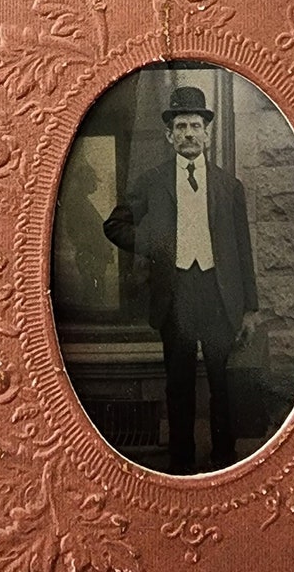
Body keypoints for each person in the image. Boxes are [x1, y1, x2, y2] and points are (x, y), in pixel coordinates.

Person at [103, 86, 258, 474]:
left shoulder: (228, 186)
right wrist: (151, 243)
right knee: (180, 381)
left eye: (195, 126)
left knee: (223, 381)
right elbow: (114, 225)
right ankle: (182, 460)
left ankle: (224, 456)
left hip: (219, 292)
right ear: (170, 135)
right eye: (181, 126)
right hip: (176, 294)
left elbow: (243, 249)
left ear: (206, 133)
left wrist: (251, 308)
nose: (189, 133)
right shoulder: (152, 182)